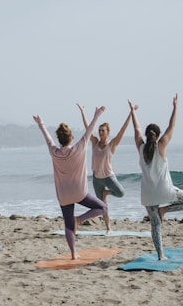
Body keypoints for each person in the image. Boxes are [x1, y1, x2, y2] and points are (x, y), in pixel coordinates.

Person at [33, 105, 107, 260]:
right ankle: (79, 220)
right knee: (102, 208)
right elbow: (89, 131)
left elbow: (48, 138)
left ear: (60, 140)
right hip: (80, 192)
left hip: (64, 195)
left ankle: (73, 254)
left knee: (67, 225)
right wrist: (97, 114)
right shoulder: (78, 148)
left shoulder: (54, 152)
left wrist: (40, 124)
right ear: (71, 138)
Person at [128, 94, 183, 260]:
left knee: (155, 225)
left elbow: (136, 130)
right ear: (157, 135)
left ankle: (160, 255)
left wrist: (133, 112)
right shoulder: (162, 145)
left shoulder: (141, 147)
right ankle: (165, 209)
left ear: (146, 136)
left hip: (148, 195)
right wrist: (175, 106)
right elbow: (171, 126)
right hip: (166, 191)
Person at [77, 104, 136, 234]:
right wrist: (83, 112)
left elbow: (122, 130)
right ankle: (108, 228)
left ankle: (107, 193)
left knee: (121, 192)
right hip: (97, 179)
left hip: (109, 177)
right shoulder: (94, 142)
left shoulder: (112, 144)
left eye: (103, 130)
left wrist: (131, 113)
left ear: (108, 132)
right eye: (100, 130)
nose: (101, 132)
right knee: (103, 207)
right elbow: (88, 128)